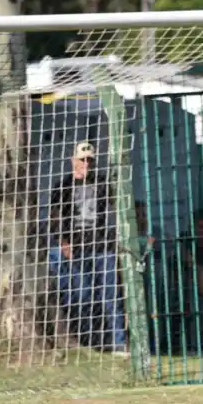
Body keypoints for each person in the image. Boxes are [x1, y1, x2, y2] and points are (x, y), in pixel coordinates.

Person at [47, 141, 126, 353]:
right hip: (76, 248)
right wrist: (63, 242)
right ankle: (85, 340)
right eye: (82, 159)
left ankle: (118, 341)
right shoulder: (63, 186)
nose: (86, 164)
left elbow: (115, 207)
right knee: (81, 295)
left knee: (111, 296)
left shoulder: (101, 183)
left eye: (90, 160)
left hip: (101, 246)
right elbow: (54, 217)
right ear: (73, 160)